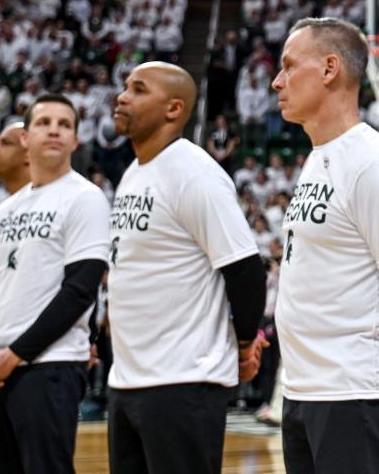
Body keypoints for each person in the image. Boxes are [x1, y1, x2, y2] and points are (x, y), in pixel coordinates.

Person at [271, 17, 379, 474]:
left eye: (288, 67)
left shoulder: (372, 162)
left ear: (329, 69)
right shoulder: (319, 157)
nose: (276, 81)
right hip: (305, 388)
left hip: (354, 391)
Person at [107, 61, 267, 474]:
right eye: (125, 87)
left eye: (138, 89)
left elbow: (245, 269)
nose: (122, 97)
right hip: (127, 380)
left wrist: (246, 341)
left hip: (181, 382)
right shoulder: (133, 173)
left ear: (174, 109)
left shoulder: (194, 172)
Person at [0, 94, 110, 474]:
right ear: (26, 138)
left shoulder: (86, 198)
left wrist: (12, 357)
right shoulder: (8, 208)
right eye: (44, 123)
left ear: (76, 140)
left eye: (65, 124)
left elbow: (79, 291)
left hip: (50, 365)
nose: (55, 130)